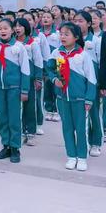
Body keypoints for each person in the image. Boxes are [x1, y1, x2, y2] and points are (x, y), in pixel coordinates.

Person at [47, 22, 96, 171]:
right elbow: (49, 69)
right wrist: (54, 79)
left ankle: (81, 157)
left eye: (66, 34)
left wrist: (89, 98)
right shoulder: (56, 53)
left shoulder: (83, 55)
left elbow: (91, 79)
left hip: (80, 99)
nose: (62, 37)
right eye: (61, 34)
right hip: (62, 99)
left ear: (75, 37)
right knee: (67, 128)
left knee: (80, 129)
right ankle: (71, 156)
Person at [0, 18, 30, 163]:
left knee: (14, 119)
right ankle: (6, 146)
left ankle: (15, 148)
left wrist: (24, 90)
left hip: (14, 89)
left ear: (12, 30)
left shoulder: (19, 47)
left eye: (6, 28)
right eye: (0, 28)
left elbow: (25, 69)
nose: (3, 31)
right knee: (2, 119)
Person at [74, 10, 103, 155]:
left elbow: (101, 63)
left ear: (89, 23)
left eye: (81, 21)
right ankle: (81, 142)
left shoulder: (96, 40)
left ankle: (96, 142)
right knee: (80, 113)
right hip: (77, 82)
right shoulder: (72, 40)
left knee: (94, 111)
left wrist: (102, 84)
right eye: (75, 21)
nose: (77, 24)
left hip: (93, 82)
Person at [13, 18, 43, 146]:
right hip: (15, 80)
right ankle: (19, 132)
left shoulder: (32, 43)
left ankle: (30, 133)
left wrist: (38, 78)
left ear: (26, 27)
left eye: (20, 26)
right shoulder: (11, 42)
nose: (17, 28)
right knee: (16, 107)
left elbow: (38, 61)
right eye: (15, 26)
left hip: (29, 80)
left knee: (29, 106)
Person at [40, 12, 60, 122]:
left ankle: (56, 110)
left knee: (55, 87)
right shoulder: (39, 34)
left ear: (53, 20)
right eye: (43, 17)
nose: (45, 19)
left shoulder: (57, 34)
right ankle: (48, 110)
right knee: (47, 87)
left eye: (48, 17)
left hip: (55, 65)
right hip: (44, 65)